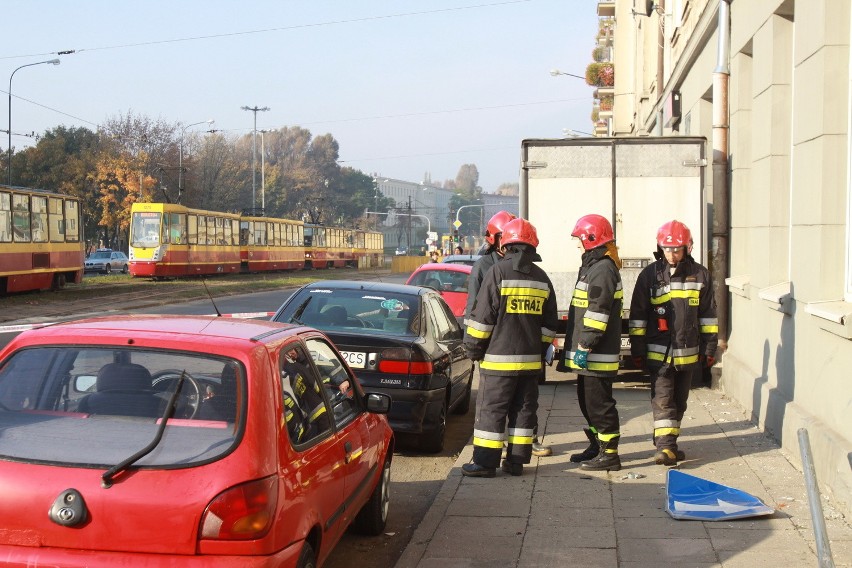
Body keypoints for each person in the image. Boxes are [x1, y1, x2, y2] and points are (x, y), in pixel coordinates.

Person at [462, 218, 558, 477]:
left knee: (491, 411)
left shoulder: (497, 272)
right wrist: (538, 349)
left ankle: (485, 463)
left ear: (506, 245)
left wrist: (472, 349)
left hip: (497, 361)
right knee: (524, 411)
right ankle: (516, 462)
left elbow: (483, 318)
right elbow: (550, 325)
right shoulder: (542, 278)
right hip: (530, 365)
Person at [628, 220, 718, 466]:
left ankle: (668, 442)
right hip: (659, 354)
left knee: (680, 402)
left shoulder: (700, 275)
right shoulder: (650, 276)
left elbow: (708, 316)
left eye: (676, 249)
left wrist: (710, 349)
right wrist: (637, 349)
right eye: (667, 249)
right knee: (663, 399)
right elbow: (638, 316)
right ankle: (665, 448)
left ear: (688, 247)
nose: (671, 254)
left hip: (687, 354)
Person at [557, 214, 624, 471]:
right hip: (590, 353)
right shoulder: (593, 267)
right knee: (588, 403)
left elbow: (598, 311)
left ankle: (610, 455)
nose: (577, 244)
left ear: (591, 239)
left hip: (597, 354)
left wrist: (585, 345)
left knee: (600, 405)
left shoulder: (603, 269)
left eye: (579, 239)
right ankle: (598, 446)